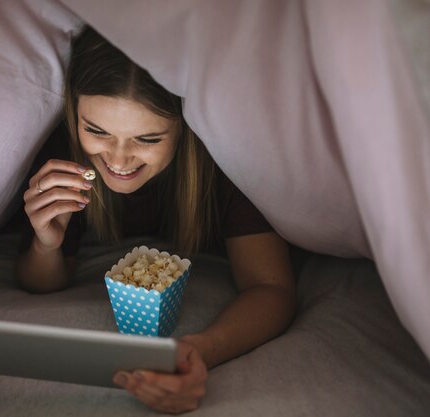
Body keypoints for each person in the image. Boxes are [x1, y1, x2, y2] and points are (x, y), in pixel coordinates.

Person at [16, 27, 296, 414]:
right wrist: (46, 244)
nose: (117, 159)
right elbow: (39, 284)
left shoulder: (225, 164)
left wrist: (199, 349)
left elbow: (272, 287)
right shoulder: (66, 161)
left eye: (147, 139)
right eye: (96, 131)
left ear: (184, 126)